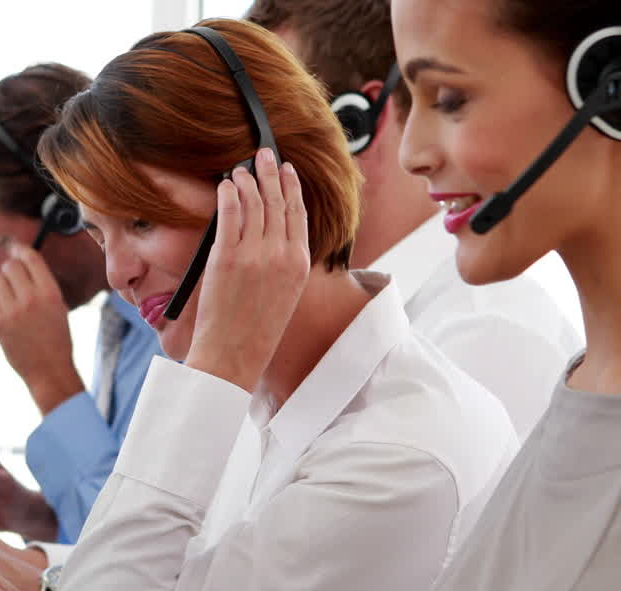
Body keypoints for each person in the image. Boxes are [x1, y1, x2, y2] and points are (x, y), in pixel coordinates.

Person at [0, 0, 621, 591]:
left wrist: (208, 369)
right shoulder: (586, 399)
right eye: (96, 232)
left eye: (450, 98)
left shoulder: (418, 435)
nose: (411, 152)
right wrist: (40, 584)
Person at [0, 19, 517, 591]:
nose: (118, 272)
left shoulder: (399, 456)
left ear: (273, 196)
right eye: (98, 233)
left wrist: (212, 368)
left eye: (142, 223)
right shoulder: (270, 397)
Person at [245, 0, 582, 443]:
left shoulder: (487, 333)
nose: (237, 161)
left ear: (349, 124)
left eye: (260, 129)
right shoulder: (298, 329)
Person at [0, 63, 163, 546]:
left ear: (69, 211)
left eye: (0, 241)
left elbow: (135, 564)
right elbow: (121, 530)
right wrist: (30, 516)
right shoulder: (117, 318)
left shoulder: (170, 325)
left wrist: (49, 378)